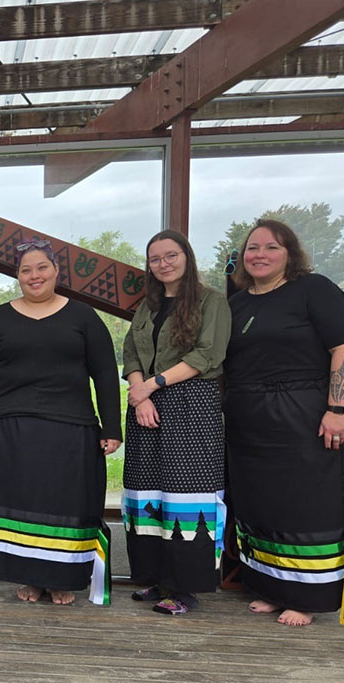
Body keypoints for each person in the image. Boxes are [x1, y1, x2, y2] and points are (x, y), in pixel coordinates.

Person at [225, 218, 344, 626]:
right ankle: (273, 588)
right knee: (263, 503)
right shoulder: (238, 303)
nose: (259, 255)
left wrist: (338, 408)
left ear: (289, 252)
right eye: (252, 248)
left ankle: (308, 596)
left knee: (307, 504)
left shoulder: (315, 289)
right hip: (249, 419)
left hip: (305, 412)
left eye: (271, 247)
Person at [0, 239, 121, 606]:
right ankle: (28, 578)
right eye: (26, 270)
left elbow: (105, 374)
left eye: (41, 268)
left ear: (56, 272)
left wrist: (112, 427)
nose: (34, 276)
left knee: (63, 505)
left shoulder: (83, 316)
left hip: (71, 428)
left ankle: (60, 578)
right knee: (19, 504)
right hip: (8, 429)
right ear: (17, 277)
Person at [121, 230, 231, 615]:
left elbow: (208, 353)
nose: (163, 264)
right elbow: (131, 351)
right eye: (155, 258)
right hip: (145, 407)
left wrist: (152, 385)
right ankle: (158, 578)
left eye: (171, 255)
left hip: (190, 403)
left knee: (187, 496)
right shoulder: (147, 306)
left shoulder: (211, 300)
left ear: (187, 256)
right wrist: (141, 395)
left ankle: (186, 588)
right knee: (147, 492)